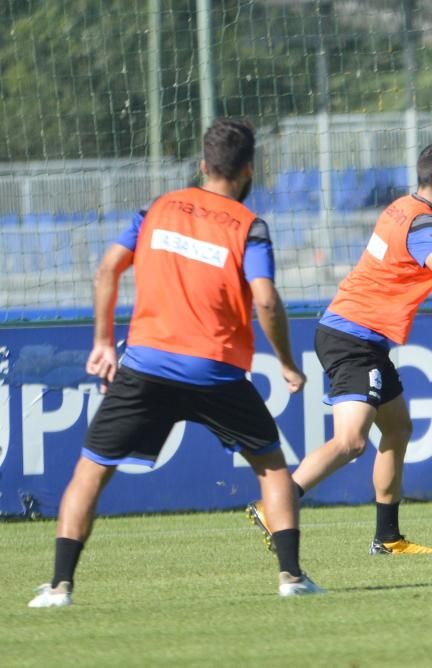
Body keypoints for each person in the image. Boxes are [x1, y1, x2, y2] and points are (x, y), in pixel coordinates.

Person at [28, 118, 322, 608]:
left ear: (203, 165)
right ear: (249, 169)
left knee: (90, 472)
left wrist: (103, 341)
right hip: (217, 371)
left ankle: (60, 586)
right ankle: (291, 577)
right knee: (271, 469)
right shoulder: (250, 227)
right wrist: (287, 362)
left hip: (147, 366)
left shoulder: (156, 210)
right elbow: (266, 301)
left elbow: (107, 268)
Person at [247, 142, 432, 555]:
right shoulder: (425, 224)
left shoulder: (401, 208)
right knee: (351, 442)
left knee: (398, 428)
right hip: (352, 337)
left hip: (356, 334)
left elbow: (404, 250)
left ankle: (387, 538)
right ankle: (275, 505)